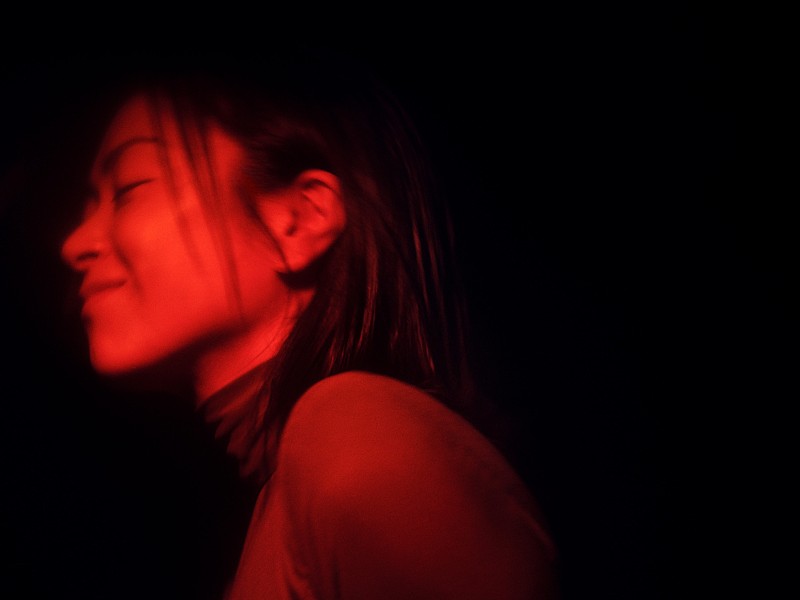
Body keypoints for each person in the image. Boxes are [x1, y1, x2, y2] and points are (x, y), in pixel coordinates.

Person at [59, 50, 558, 599]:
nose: (74, 244)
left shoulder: (354, 435)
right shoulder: (297, 489)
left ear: (299, 220)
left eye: (128, 189)